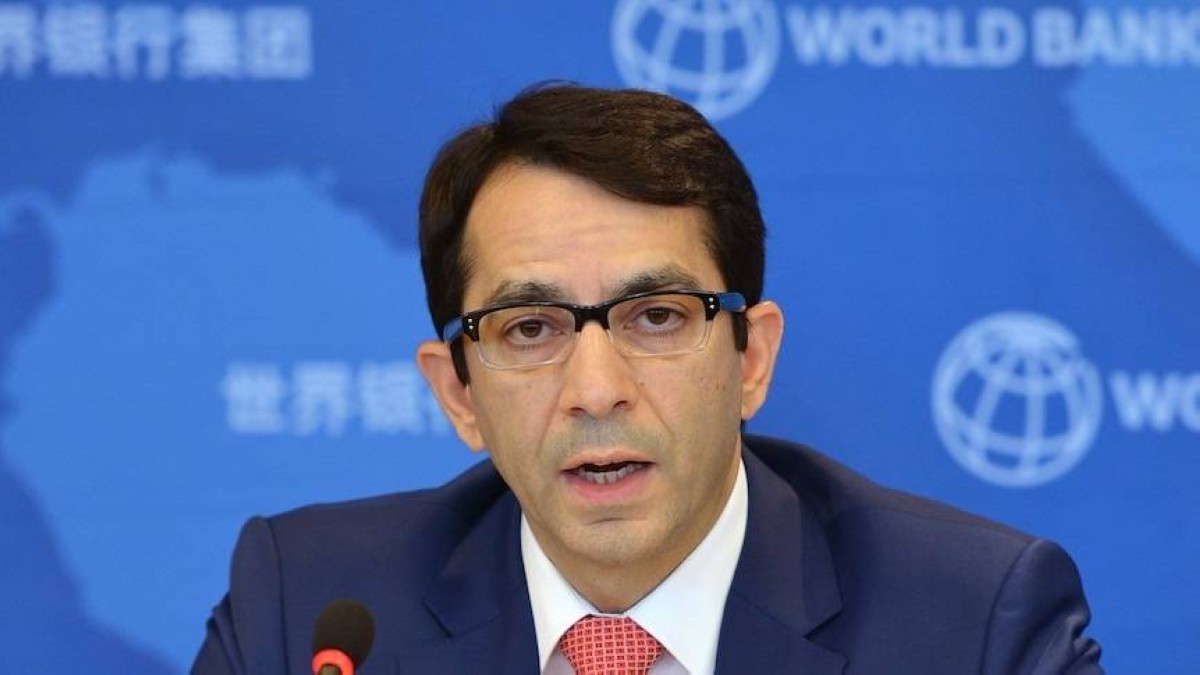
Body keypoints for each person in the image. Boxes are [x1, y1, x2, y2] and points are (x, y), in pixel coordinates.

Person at [193, 83, 1103, 674]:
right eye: (531, 328)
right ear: (459, 393)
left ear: (751, 358)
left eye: (657, 317)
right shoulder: (311, 615)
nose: (596, 389)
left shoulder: (973, 626)